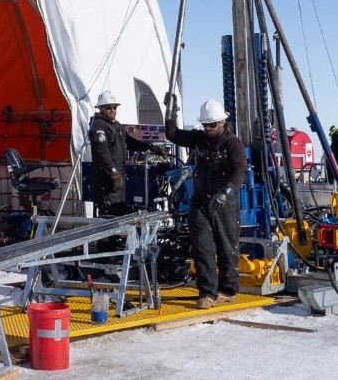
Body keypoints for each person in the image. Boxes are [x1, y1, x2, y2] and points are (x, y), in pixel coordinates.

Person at [163, 99, 247, 309]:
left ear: (222, 123)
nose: (208, 129)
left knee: (227, 246)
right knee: (201, 247)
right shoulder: (199, 139)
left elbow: (239, 172)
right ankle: (208, 293)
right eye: (205, 125)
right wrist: (170, 113)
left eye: (212, 125)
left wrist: (226, 192)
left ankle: (227, 290)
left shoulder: (233, 144)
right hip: (200, 201)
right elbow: (173, 135)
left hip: (224, 203)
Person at [86, 91, 158, 217]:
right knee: (109, 216)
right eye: (108, 107)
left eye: (114, 107)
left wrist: (150, 147)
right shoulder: (98, 125)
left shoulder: (116, 125)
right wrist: (113, 172)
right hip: (105, 182)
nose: (112, 110)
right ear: (100, 108)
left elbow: (129, 142)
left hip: (118, 180)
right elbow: (102, 152)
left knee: (119, 213)